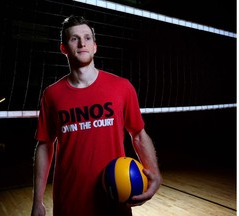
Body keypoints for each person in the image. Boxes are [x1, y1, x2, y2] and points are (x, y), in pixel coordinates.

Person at [31, 15, 162, 216]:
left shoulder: (122, 87)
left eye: (87, 38)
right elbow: (45, 145)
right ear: (63, 48)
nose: (82, 43)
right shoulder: (52, 95)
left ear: (95, 46)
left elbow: (137, 134)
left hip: (114, 200)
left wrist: (154, 174)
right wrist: (37, 200)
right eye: (74, 38)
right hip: (69, 202)